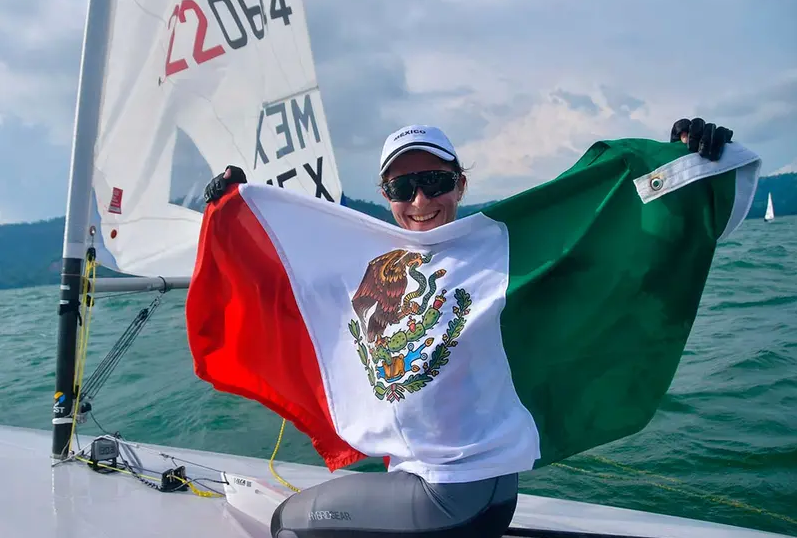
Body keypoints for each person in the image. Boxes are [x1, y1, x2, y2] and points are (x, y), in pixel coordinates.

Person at [203, 117, 733, 538]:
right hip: (436, 480)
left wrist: (680, 169)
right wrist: (237, 210)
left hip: (455, 494)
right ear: (386, 193)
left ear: (460, 183)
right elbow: (283, 281)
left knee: (287, 523)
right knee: (355, 480)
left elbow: (621, 242)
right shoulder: (366, 260)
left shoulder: (506, 253)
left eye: (434, 181)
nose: (419, 201)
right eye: (402, 185)